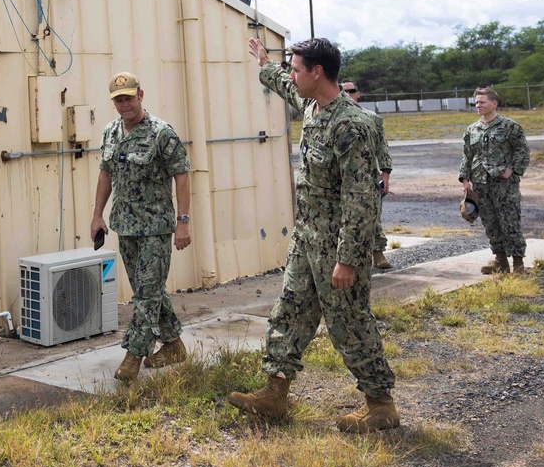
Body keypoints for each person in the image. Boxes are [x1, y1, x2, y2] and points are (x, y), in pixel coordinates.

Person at [229, 37, 399, 432]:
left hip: (337, 247)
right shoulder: (312, 105)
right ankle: (274, 394)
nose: (292, 75)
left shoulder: (350, 125)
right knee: (289, 311)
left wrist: (348, 259)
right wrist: (265, 63)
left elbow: (362, 200)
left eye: (296, 68)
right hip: (307, 239)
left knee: (350, 322)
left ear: (317, 72)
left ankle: (380, 404)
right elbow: (283, 84)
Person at [90, 71, 191, 383]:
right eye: (118, 100)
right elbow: (106, 174)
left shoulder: (162, 133)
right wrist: (97, 215)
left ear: (141, 96)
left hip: (156, 227)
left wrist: (182, 223)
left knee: (145, 296)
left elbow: (182, 176)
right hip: (125, 225)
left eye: (129, 98)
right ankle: (173, 345)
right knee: (148, 290)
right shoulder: (110, 132)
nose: (124, 105)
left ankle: (134, 354)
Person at [459, 87, 531, 276]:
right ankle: (500, 261)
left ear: (494, 103)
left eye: (482, 102)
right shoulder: (472, 130)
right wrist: (465, 179)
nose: (478, 106)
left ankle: (518, 264)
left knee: (510, 222)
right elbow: (467, 156)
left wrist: (512, 170)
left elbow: (522, 151)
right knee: (490, 223)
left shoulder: (510, 126)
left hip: (504, 185)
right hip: (480, 183)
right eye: (476, 102)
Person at [339, 80, 393, 271]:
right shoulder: (333, 118)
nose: (346, 94)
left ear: (358, 94)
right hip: (340, 179)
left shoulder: (372, 118)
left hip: (367, 179)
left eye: (350, 91)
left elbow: (382, 148)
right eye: (342, 91)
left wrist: (385, 174)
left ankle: (377, 253)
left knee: (372, 216)